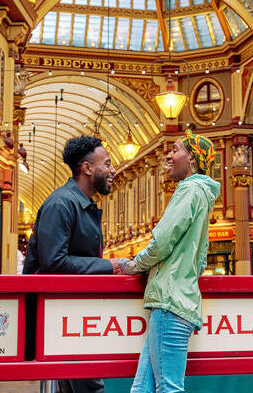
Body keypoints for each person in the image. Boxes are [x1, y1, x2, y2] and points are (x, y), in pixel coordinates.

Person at [116, 131, 221, 393]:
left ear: (193, 160)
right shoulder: (203, 197)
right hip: (177, 302)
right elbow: (200, 261)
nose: (169, 156)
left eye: (175, 150)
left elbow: (162, 241)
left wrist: (133, 265)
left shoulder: (189, 190)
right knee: (141, 388)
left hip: (169, 302)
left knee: (169, 388)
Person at [23, 135, 122, 393]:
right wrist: (109, 266)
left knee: (76, 384)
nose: (113, 170)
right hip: (60, 317)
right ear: (87, 168)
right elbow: (53, 262)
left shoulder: (79, 203)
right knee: (88, 386)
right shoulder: (61, 204)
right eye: (107, 164)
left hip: (71, 315)